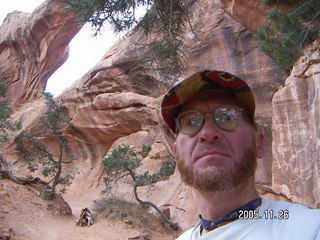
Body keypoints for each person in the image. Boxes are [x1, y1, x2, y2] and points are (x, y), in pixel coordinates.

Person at [160, 69, 320, 240]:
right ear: (176, 153)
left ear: (258, 144)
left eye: (227, 117)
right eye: (190, 122)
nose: (207, 133)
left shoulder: (308, 228)